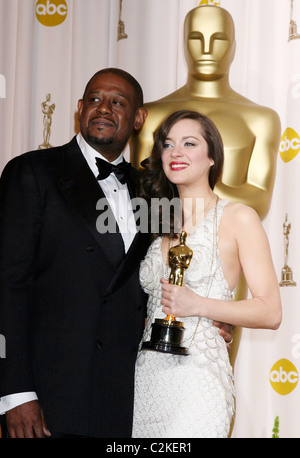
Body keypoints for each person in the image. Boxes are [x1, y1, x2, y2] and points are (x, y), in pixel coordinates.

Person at [0, 69, 232, 438]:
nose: (103, 108)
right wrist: (15, 392)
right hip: (47, 394)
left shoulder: (153, 189)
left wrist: (215, 315)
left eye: (118, 102)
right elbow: (8, 287)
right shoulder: (33, 172)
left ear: (138, 118)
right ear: (79, 108)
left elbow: (169, 272)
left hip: (125, 394)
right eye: (94, 99)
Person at [130, 4, 281, 364]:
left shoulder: (260, 118)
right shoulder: (152, 114)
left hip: (208, 342)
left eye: (218, 38)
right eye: (167, 145)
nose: (208, 48)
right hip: (145, 368)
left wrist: (203, 306)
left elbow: (259, 198)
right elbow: (142, 196)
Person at [132, 110, 282, 438]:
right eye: (168, 144)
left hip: (198, 380)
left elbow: (270, 311)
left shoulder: (238, 217)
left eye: (189, 143)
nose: (176, 152)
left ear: (212, 156)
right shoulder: (154, 221)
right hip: (146, 382)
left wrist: (199, 305)